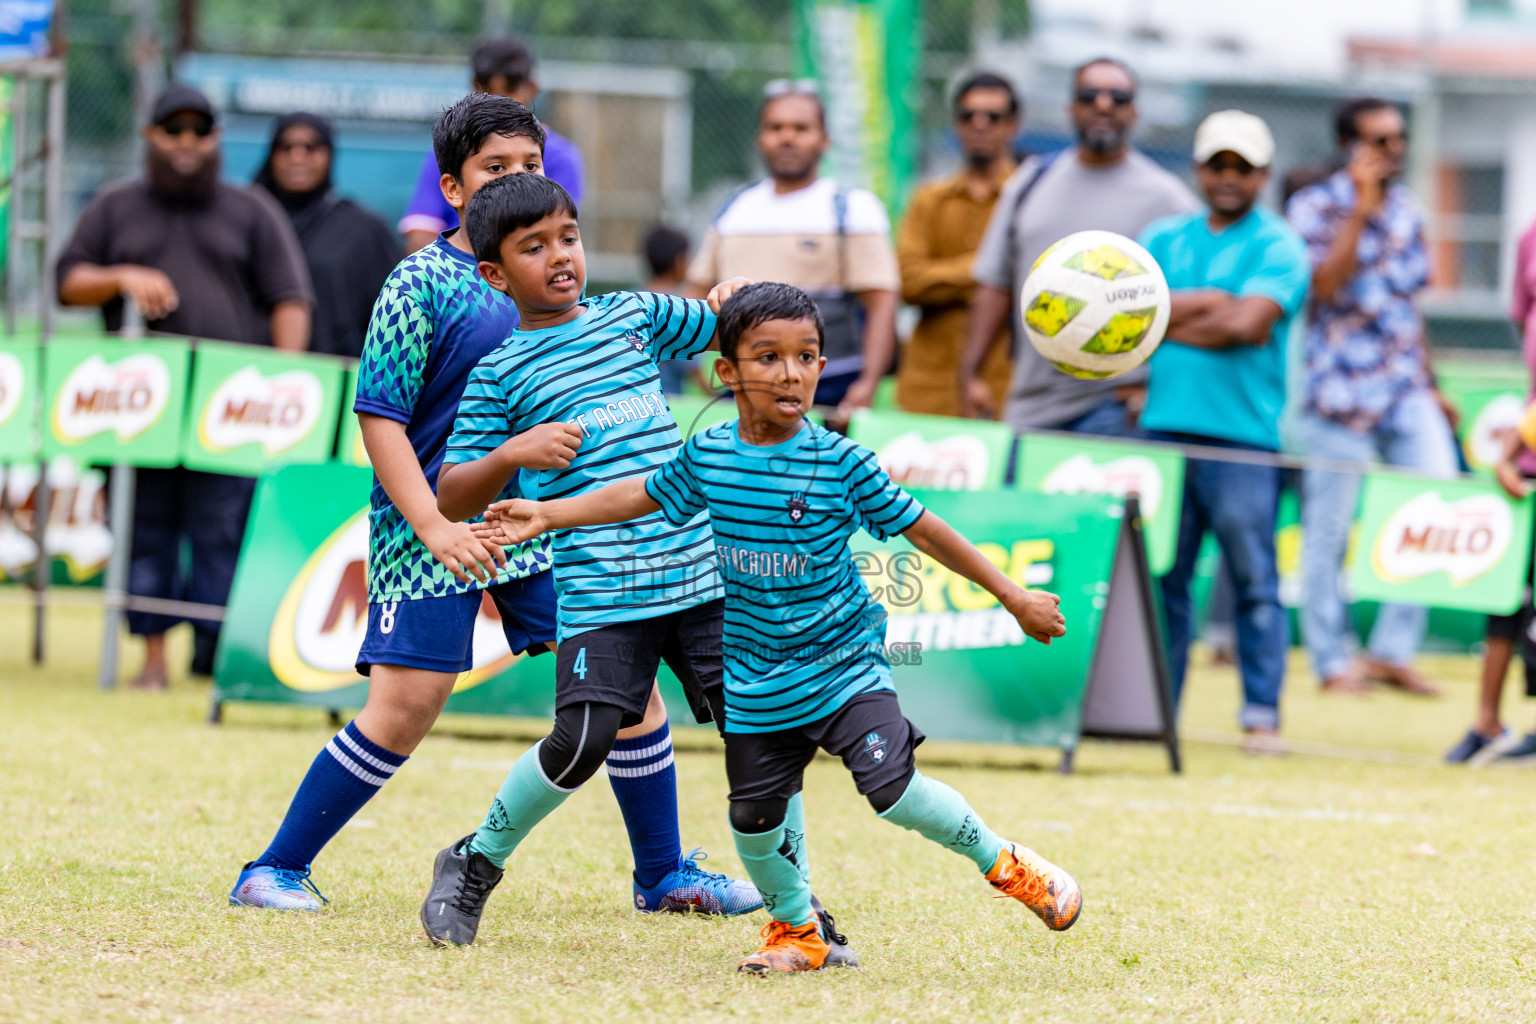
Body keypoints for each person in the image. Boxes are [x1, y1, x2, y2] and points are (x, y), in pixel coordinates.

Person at [229, 96, 753, 919]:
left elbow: (666, 334)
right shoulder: (422, 283)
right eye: (494, 170)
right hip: (433, 527)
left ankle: (664, 877)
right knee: (404, 710)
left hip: (545, 530)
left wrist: (725, 310)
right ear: (451, 186)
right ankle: (274, 868)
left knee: (631, 690)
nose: (517, 182)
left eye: (531, 167)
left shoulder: (554, 273)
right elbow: (381, 419)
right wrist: (435, 527)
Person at [477, 281, 1081, 975]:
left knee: (894, 792)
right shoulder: (709, 456)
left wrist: (1013, 596)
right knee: (754, 825)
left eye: (807, 356)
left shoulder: (841, 462)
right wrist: (550, 514)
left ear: (822, 366)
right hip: (757, 679)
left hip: (843, 668)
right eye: (768, 357)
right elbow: (638, 495)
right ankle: (798, 934)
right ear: (726, 372)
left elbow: (929, 531)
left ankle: (1008, 864)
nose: (791, 373)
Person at [417, 173, 843, 951]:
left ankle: (799, 913)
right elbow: (449, 496)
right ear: (493, 273)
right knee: (580, 744)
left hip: (705, 574)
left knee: (769, 728)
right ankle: (472, 863)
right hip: (605, 590)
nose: (560, 258)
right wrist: (513, 451)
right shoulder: (499, 372)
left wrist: (736, 303)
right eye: (533, 247)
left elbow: (726, 328)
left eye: (568, 238)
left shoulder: (634, 315)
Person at [56, 83, 312, 689]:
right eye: (174, 130)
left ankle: (217, 654)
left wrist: (280, 380)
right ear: (151, 135)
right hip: (137, 410)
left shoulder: (250, 210)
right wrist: (122, 275)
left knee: (224, 533)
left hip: (230, 410)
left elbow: (290, 299)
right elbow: (67, 280)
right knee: (143, 529)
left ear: (216, 139)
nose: (187, 142)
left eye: (200, 131)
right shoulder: (115, 208)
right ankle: (150, 660)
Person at [1136, 111, 1311, 755]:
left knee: (1255, 579)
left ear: (1263, 174)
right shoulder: (1162, 235)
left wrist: (1164, 317)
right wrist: (1212, 301)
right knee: (1164, 580)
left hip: (1245, 439)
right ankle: (1159, 714)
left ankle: (1261, 714)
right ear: (1198, 169)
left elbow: (1249, 326)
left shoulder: (1280, 244)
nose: (1229, 176)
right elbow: (1121, 324)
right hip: (1161, 434)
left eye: (1243, 166)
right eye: (1218, 164)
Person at [1287, 97, 1460, 698]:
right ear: (1349, 146)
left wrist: (1435, 387)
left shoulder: (1409, 210)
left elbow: (1409, 307)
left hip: (1405, 388)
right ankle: (1331, 662)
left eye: (1398, 138)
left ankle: (1391, 651)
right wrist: (1359, 212)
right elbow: (1320, 290)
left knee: (1436, 504)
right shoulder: (1312, 207)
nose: (1394, 150)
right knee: (1328, 533)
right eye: (1379, 140)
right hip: (1339, 394)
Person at [961, 57, 1198, 436]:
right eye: (1090, 96)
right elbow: (995, 285)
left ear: (1134, 112)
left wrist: (1154, 383)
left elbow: (1191, 303)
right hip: (1033, 401)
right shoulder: (1029, 183)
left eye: (1117, 98)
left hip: (1119, 406)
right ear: (1071, 107)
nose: (1103, 105)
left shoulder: (1170, 200)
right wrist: (971, 373)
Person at [684, 81, 899, 415]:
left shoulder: (853, 210)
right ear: (759, 137)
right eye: (775, 127)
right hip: (740, 389)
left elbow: (882, 305)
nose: (787, 137)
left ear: (824, 139)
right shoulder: (734, 210)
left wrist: (867, 384)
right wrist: (690, 363)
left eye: (801, 128)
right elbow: (695, 293)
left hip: (829, 389)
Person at [1444, 220, 1536, 764]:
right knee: (1505, 594)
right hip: (1527, 453)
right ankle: (1487, 724)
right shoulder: (1528, 237)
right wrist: (1510, 449)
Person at [895, 71, 1019, 417]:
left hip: (1003, 383)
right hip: (928, 384)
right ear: (956, 125)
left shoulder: (1031, 199)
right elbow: (909, 281)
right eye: (969, 116)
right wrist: (991, 272)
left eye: (993, 117)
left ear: (1013, 125)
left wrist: (946, 278)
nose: (980, 125)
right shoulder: (928, 200)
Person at [399, 35, 584, 253]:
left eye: (531, 166)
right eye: (486, 86)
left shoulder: (561, 158)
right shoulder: (453, 147)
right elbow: (421, 231)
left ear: (533, 87)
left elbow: (556, 237)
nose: (499, 98)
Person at [252, 112, 400, 358]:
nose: (297, 157)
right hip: (248, 376)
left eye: (311, 147)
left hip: (337, 375)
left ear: (329, 154)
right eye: (286, 147)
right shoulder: (249, 220)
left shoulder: (363, 230)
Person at [640, 224, 707, 395]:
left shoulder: (631, 299)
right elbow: (695, 373)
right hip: (668, 403)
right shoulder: (680, 308)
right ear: (679, 261)